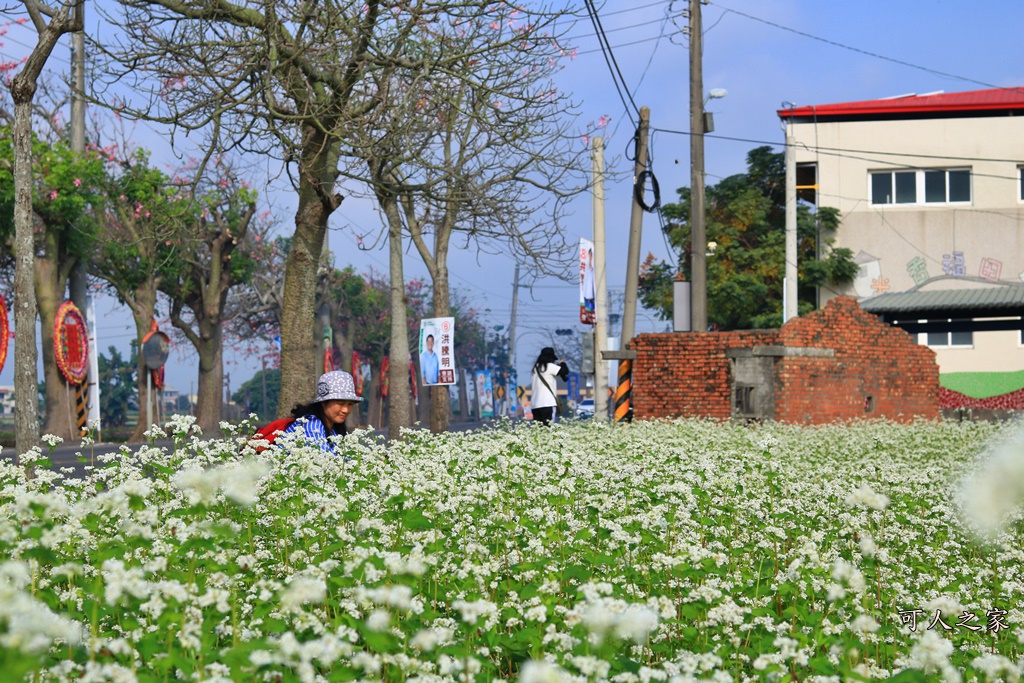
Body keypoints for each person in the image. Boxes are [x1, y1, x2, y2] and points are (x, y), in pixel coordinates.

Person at [282, 370, 362, 452]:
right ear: (323, 403)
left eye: (350, 404)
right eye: (340, 403)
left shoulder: (334, 429)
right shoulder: (312, 425)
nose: (346, 410)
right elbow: (321, 461)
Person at [530, 347, 569, 426]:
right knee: (548, 428)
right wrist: (562, 363)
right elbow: (565, 371)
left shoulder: (535, 368)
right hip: (547, 402)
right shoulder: (550, 366)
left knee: (538, 429)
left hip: (535, 404)